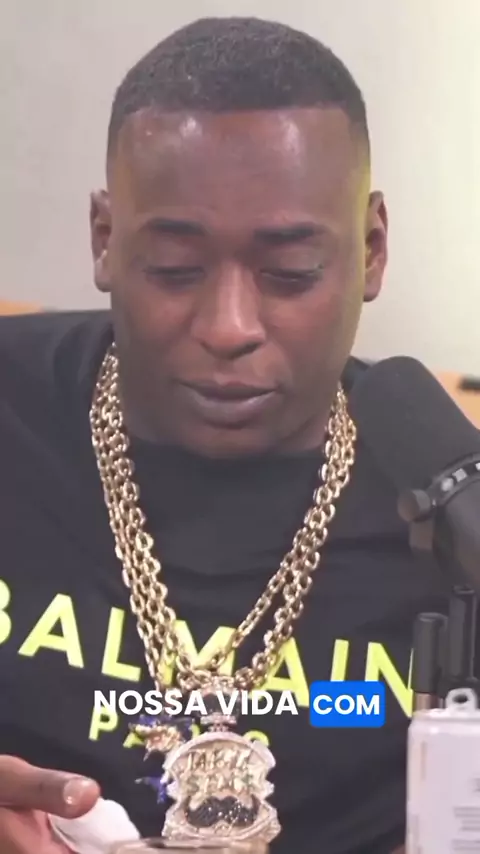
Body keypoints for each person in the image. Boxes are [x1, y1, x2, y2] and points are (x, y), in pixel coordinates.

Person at [0, 16, 452, 854]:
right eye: (175, 269)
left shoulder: (450, 500)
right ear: (105, 240)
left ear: (371, 249)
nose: (228, 326)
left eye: (290, 274)